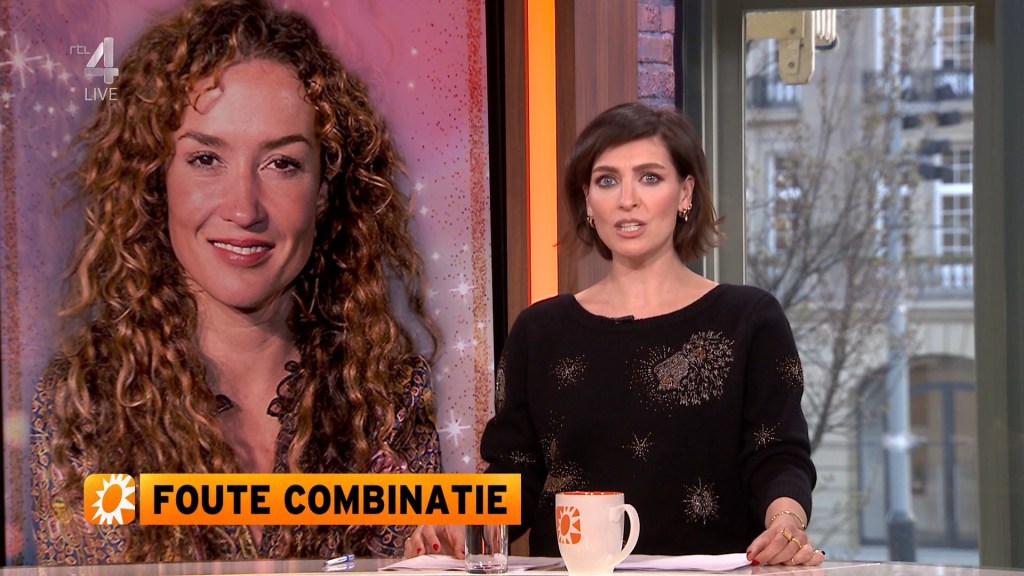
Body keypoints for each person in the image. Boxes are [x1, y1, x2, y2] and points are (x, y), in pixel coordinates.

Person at [30, 0, 440, 564]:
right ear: (157, 179)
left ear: (323, 192)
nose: (244, 209)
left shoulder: (389, 397)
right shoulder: (86, 402)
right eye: (205, 159)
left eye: (282, 164)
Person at [405, 102, 822, 566]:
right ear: (587, 200)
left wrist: (785, 522)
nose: (627, 199)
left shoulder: (749, 319)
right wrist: (456, 515)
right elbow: (515, 472)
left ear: (685, 193)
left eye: (649, 177)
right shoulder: (540, 331)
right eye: (607, 180)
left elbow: (777, 454)